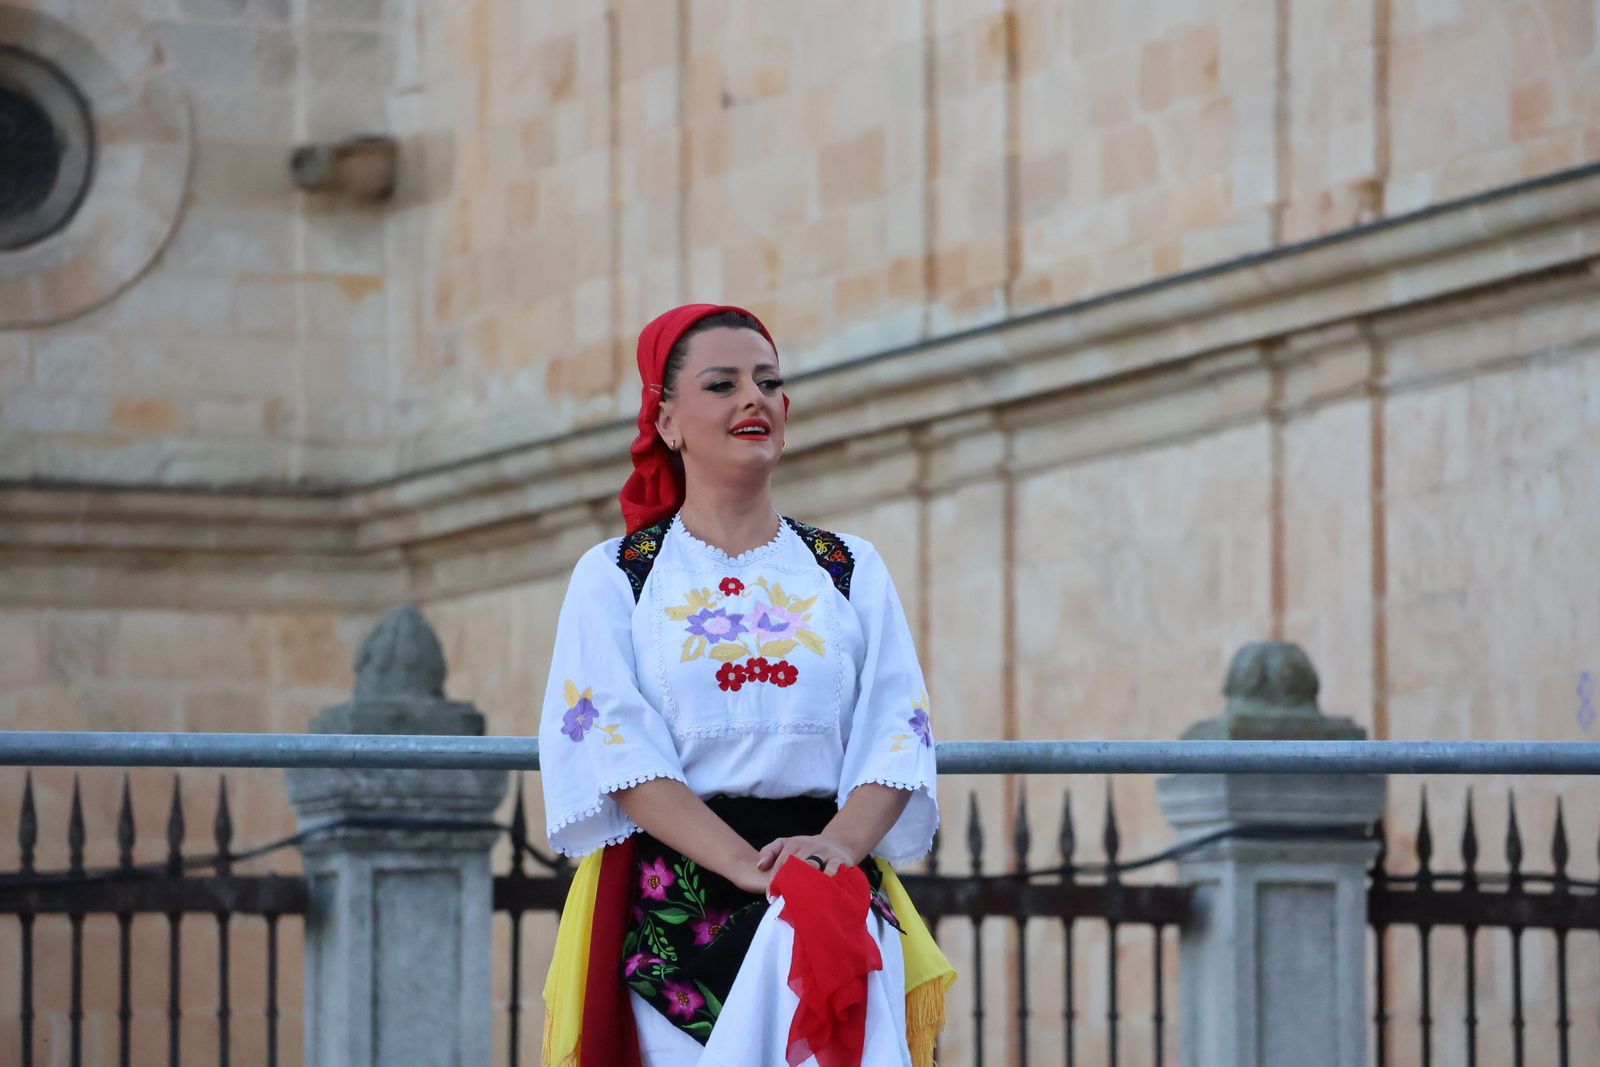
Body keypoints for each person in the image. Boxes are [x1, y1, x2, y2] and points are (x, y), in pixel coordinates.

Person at [539, 304, 954, 1067]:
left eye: (768, 382)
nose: (752, 399)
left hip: (830, 894)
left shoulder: (846, 566)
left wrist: (835, 849)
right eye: (722, 383)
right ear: (666, 421)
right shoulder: (618, 576)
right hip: (682, 911)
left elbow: (898, 728)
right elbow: (614, 747)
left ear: (788, 411)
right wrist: (742, 864)